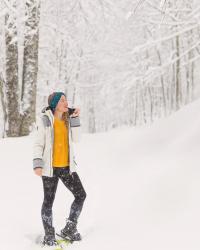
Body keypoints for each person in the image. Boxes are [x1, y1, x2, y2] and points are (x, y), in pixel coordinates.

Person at [33, 92, 87, 247]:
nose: (66, 102)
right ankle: (49, 235)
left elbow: (77, 139)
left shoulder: (68, 119)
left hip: (66, 167)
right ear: (55, 104)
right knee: (48, 202)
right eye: (62, 100)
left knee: (81, 195)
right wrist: (37, 163)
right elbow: (38, 144)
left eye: (66, 100)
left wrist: (75, 117)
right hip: (49, 169)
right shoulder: (45, 120)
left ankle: (69, 229)